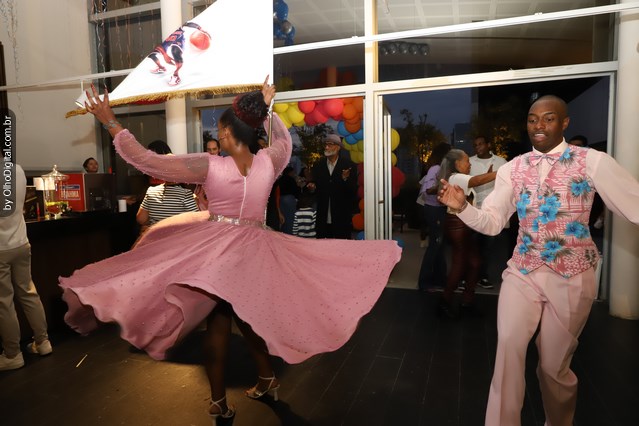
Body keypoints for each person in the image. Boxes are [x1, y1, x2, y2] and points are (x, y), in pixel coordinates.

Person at [61, 79, 401, 421]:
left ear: (226, 133)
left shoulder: (210, 165)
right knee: (246, 316)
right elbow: (283, 141)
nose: (218, 135)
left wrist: (110, 121)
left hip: (218, 254)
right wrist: (267, 110)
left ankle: (220, 402)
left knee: (219, 323)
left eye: (220, 130)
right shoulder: (269, 161)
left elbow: (147, 161)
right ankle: (266, 380)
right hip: (256, 252)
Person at [438, 95, 639, 425]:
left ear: (564, 122)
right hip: (522, 272)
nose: (539, 125)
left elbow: (633, 204)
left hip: (573, 275)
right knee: (507, 350)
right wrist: (462, 207)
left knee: (553, 367)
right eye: (533, 119)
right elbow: (493, 222)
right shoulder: (513, 168)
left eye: (548, 118)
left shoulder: (592, 161)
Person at [0, 165, 53, 371]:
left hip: (1, 247)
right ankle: (43, 342)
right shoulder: (17, 169)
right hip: (21, 242)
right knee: (28, 292)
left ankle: (12, 354)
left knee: (4, 302)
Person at [436, 149, 497, 318]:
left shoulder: (457, 178)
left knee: (475, 262)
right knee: (459, 264)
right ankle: (444, 302)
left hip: (462, 225)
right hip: (458, 225)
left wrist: (488, 174)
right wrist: (503, 172)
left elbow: (475, 182)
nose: (469, 164)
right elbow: (477, 180)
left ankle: (467, 300)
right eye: (466, 161)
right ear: (457, 164)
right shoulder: (456, 177)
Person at [469, 136, 508, 290]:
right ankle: (468, 276)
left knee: (488, 246)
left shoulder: (501, 162)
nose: (478, 147)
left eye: (480, 144)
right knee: (472, 245)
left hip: (492, 212)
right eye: (475, 145)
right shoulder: (470, 162)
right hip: (474, 210)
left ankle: (483, 276)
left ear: (488, 144)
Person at [307, 134, 358, 239]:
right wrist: (312, 187)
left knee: (341, 246)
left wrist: (345, 179)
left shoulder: (348, 165)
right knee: (323, 246)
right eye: (326, 144)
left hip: (341, 216)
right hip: (323, 216)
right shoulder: (318, 165)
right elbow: (315, 186)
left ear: (338, 147)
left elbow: (353, 190)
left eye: (330, 144)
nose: (326, 147)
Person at [416, 142, 451, 292]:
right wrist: (445, 186)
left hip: (439, 210)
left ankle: (440, 280)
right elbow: (428, 190)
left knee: (440, 246)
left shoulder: (441, 169)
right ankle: (424, 282)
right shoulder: (435, 169)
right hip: (434, 210)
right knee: (435, 246)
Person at [147, 21, 210, 86]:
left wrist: (200, 28)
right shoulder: (167, 32)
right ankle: (161, 67)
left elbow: (188, 24)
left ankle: (176, 75)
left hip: (178, 41)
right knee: (152, 55)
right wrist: (165, 55)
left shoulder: (180, 29)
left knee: (175, 51)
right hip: (168, 42)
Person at [277, 166, 301, 234]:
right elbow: (295, 191)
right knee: (290, 220)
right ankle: (288, 235)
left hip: (280, 199)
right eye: (293, 172)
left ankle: (283, 234)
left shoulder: (280, 179)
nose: (294, 174)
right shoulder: (291, 179)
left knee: (282, 219)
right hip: (289, 199)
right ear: (290, 172)